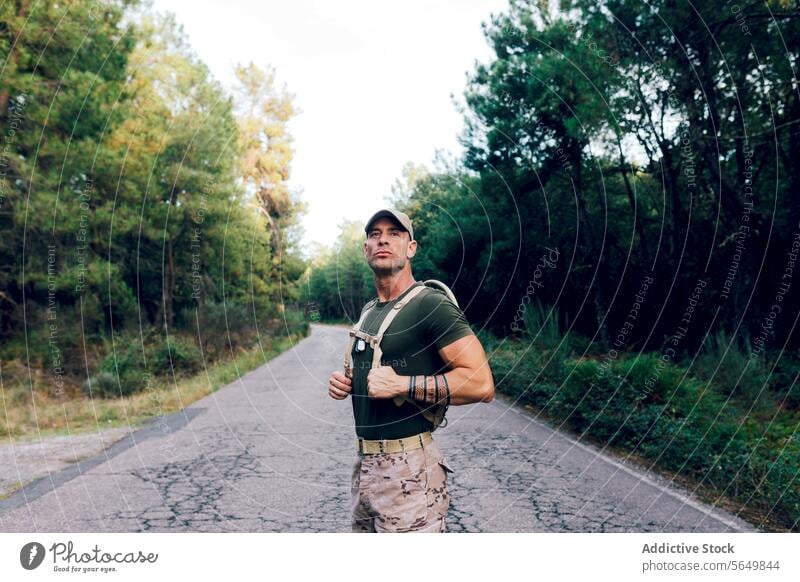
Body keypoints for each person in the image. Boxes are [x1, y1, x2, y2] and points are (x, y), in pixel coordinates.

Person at [327, 208, 495, 533]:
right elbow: (372, 374)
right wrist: (345, 382)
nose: (383, 240)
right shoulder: (368, 312)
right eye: (374, 234)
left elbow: (481, 384)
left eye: (394, 233)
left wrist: (403, 384)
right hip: (364, 466)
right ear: (366, 250)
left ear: (411, 247)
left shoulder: (429, 304)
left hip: (411, 470)